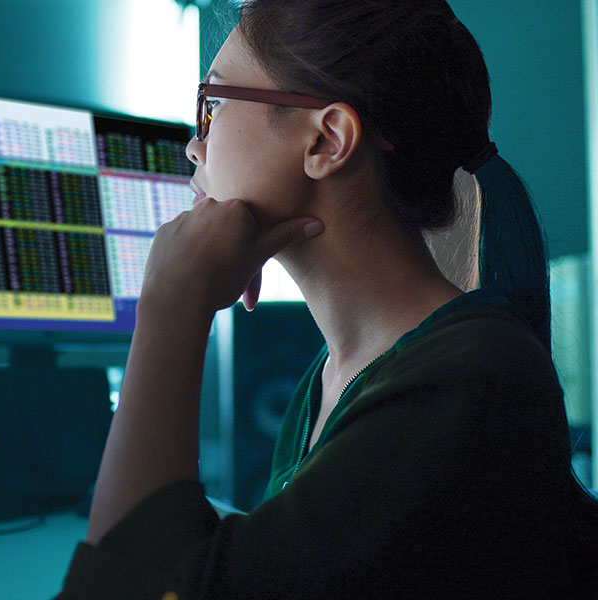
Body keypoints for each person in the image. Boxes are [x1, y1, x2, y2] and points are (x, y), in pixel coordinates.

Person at [57, 1, 597, 598]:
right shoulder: (341, 371)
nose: (192, 145)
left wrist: (169, 307)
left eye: (212, 104)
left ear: (327, 139)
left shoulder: (468, 382)